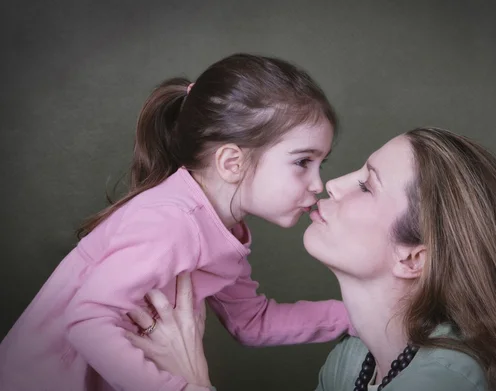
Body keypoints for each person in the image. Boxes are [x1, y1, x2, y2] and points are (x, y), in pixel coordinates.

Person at [127, 127, 496, 391]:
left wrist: (188, 384)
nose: (332, 184)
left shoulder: (449, 380)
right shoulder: (352, 362)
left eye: (368, 184)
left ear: (413, 257)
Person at [0, 53, 355, 391]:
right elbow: (88, 318)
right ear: (232, 162)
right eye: (302, 162)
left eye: (319, 164)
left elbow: (252, 322)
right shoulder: (170, 221)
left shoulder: (219, 229)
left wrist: (356, 317)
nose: (318, 185)